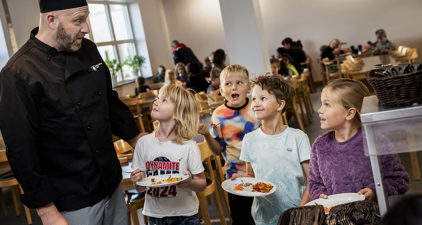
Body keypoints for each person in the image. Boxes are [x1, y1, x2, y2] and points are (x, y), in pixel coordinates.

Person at [0, 0, 142, 225]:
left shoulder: (89, 50)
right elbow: (22, 151)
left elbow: (108, 101)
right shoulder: (18, 74)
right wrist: (46, 211)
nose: (86, 29)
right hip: (70, 198)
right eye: (78, 21)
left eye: (87, 19)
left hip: (111, 180)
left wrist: (137, 139)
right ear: (51, 19)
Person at [309, 79, 409, 202]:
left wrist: (375, 191)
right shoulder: (319, 146)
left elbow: (399, 180)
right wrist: (319, 195)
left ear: (350, 113)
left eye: (327, 105)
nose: (320, 110)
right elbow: (314, 182)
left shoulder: (377, 142)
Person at [238, 73, 311, 224]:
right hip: (263, 216)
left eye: (262, 98)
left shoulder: (298, 138)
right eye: (254, 99)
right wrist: (241, 181)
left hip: (296, 214)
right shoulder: (249, 140)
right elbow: (251, 176)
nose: (255, 103)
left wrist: (300, 211)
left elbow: (312, 180)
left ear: (280, 104)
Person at [130, 85, 207, 225]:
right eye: (158, 98)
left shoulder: (189, 146)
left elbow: (202, 184)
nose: (155, 102)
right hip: (155, 217)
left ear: (177, 113)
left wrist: (190, 183)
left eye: (164, 100)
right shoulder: (143, 144)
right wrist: (137, 180)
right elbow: (140, 188)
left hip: (186, 217)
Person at [198, 64, 259, 225]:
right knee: (241, 218)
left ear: (249, 87)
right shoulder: (218, 115)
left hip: (263, 172)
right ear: (221, 90)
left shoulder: (257, 107)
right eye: (228, 84)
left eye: (239, 82)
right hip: (236, 176)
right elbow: (218, 150)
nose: (234, 87)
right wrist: (206, 136)